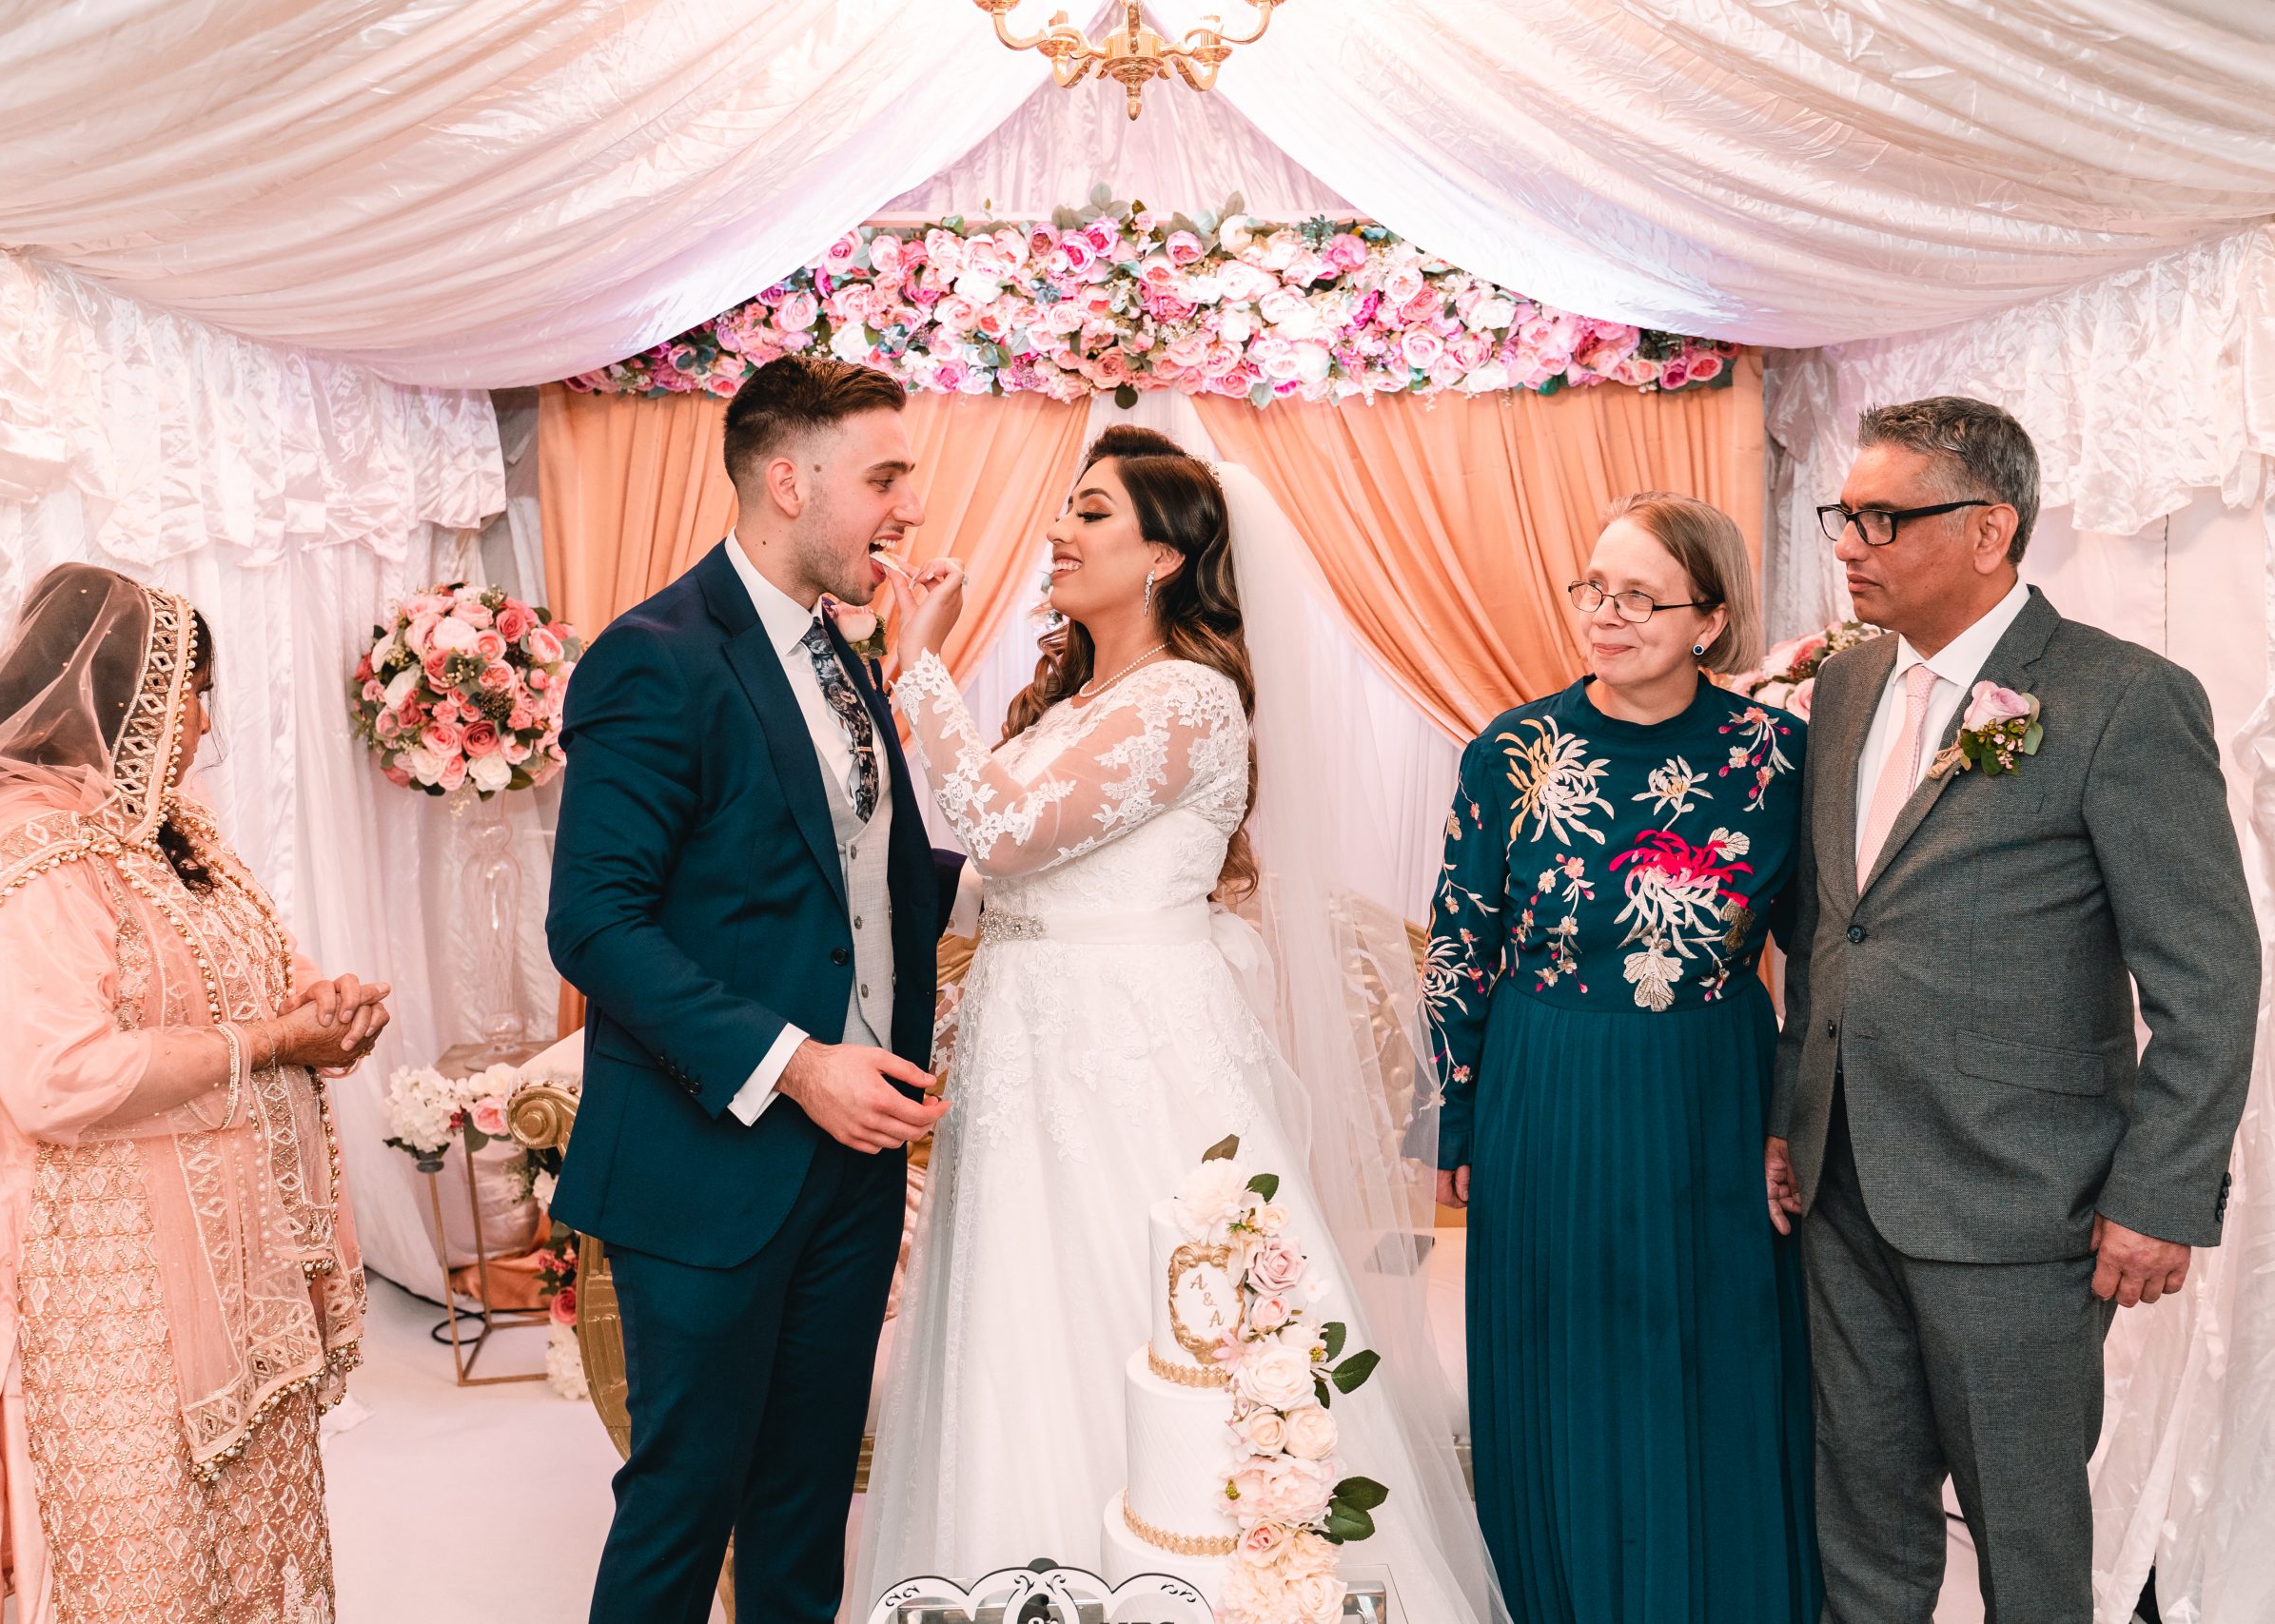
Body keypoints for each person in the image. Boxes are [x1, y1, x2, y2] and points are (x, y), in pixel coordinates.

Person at [856, 425, 1511, 1622]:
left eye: (1091, 511)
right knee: (1020, 1332)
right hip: (1026, 1049)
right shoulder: (1075, 703)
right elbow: (1003, 877)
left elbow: (1005, 829)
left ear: (1163, 555)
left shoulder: (1189, 700)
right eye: (1065, 507)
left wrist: (919, 663)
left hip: (1130, 1056)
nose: (1058, 530)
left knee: (1151, 1323)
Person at [1771, 397, 2257, 1623]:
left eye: (1884, 519)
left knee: (2026, 1543)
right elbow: (1831, 927)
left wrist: (2158, 1198)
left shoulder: (2119, 697)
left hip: (2019, 1204)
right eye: (1844, 515)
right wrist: (1793, 1116)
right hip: (1843, 1186)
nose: (1849, 545)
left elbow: (2207, 977)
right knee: (1862, 1524)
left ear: (1989, 530)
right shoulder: (1847, 684)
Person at [0, 563, 387, 1624]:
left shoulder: (161, 829)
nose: (203, 724)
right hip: (111, 1288)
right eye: (193, 693)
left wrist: (321, 1007)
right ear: (120, 695)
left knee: (238, 1556)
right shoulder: (16, 856)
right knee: (142, 1562)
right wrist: (275, 1041)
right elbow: (56, 1077)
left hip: (238, 1270)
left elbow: (247, 971)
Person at [544, 354, 966, 1624]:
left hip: (853, 1163)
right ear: (789, 481)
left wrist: (1052, 889)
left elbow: (854, 873)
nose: (909, 508)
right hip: (706, 1160)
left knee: (802, 1504)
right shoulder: (654, 657)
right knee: (685, 1501)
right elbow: (594, 922)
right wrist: (796, 1063)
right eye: (885, 478)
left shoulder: (844, 654)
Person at [1424, 493, 1819, 1622]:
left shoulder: (1776, 757)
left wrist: (1790, 1121)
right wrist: (1455, 1119)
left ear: (1711, 619)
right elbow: (1458, 944)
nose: (1605, 615)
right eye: (1594, 588)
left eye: (1640, 597)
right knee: (1561, 1351)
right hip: (1544, 1086)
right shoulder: (1512, 752)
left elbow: (1822, 959)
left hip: (1711, 1089)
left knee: (1715, 1347)